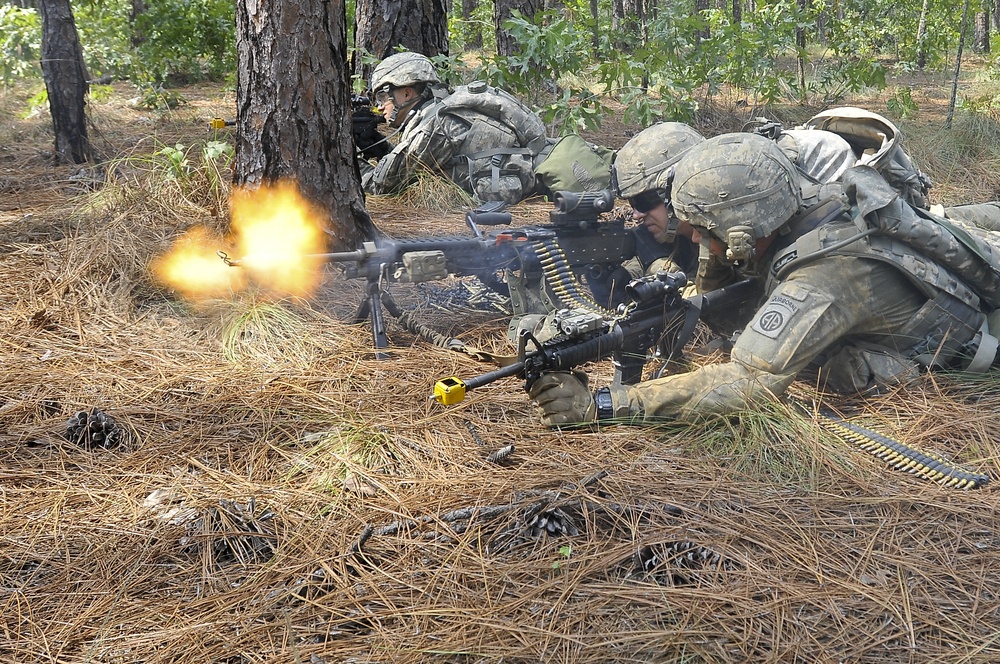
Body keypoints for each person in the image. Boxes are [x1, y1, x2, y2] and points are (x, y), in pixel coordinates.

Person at [528, 131, 1000, 426]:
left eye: (702, 229)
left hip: (972, 343)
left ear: (740, 231)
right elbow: (716, 282)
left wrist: (607, 404)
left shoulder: (821, 278)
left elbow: (748, 382)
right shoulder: (804, 199)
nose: (692, 236)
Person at [359, 51, 615, 205]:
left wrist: (350, 157)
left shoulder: (434, 126)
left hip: (553, 178)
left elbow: (380, 186)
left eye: (383, 96)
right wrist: (379, 146)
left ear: (405, 92)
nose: (380, 107)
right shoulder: (448, 105)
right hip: (551, 155)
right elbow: (413, 163)